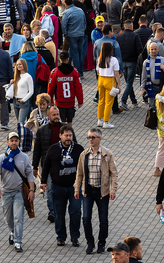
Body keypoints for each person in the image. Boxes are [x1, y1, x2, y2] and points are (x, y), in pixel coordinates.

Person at [74, 127, 119, 255]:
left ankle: (101, 243)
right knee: (86, 217)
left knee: (103, 220)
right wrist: (77, 188)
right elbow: (79, 174)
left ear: (99, 138)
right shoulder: (84, 155)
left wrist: (113, 190)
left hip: (102, 192)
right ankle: (90, 243)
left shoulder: (107, 154)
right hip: (88, 192)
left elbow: (114, 174)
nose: (90, 140)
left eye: (93, 137)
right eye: (89, 137)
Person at [41, 123, 84, 246]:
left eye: (70, 135)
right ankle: (61, 237)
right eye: (66, 135)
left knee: (75, 211)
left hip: (74, 188)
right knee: (59, 213)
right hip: (57, 187)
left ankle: (75, 237)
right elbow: (46, 166)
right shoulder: (53, 149)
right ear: (60, 136)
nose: (68, 138)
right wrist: (43, 181)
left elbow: (83, 167)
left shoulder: (79, 149)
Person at [0, 131, 37, 252]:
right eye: (11, 140)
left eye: (16, 140)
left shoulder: (24, 157)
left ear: (19, 142)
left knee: (19, 217)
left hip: (19, 192)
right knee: (8, 218)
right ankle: (12, 231)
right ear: (7, 142)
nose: (14, 142)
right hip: (6, 193)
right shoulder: (2, 158)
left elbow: (29, 174)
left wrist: (31, 190)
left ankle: (18, 242)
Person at [96, 42, 123, 129]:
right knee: (108, 102)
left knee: (101, 101)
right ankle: (106, 122)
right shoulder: (114, 59)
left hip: (100, 80)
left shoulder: (99, 58)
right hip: (109, 81)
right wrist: (119, 85)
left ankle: (99, 120)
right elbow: (116, 73)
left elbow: (97, 71)